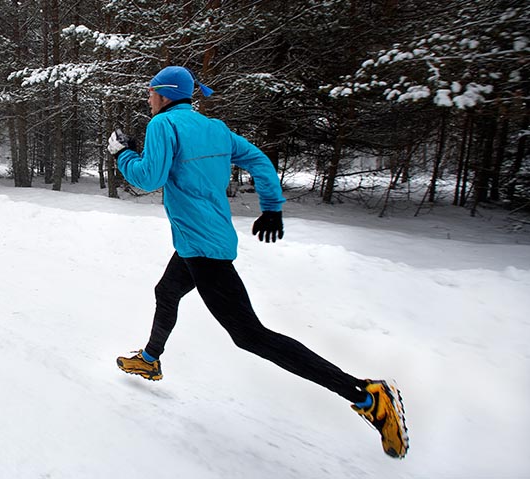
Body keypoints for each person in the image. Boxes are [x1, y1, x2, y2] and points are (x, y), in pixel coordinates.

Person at [106, 66, 409, 459]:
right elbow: (261, 161)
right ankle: (150, 360)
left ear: (164, 95)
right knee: (166, 292)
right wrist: (272, 207)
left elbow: (148, 178)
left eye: (150, 93)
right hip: (200, 240)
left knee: (250, 336)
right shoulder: (213, 127)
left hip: (203, 250)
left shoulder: (164, 124)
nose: (147, 99)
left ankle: (367, 396)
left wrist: (123, 154)